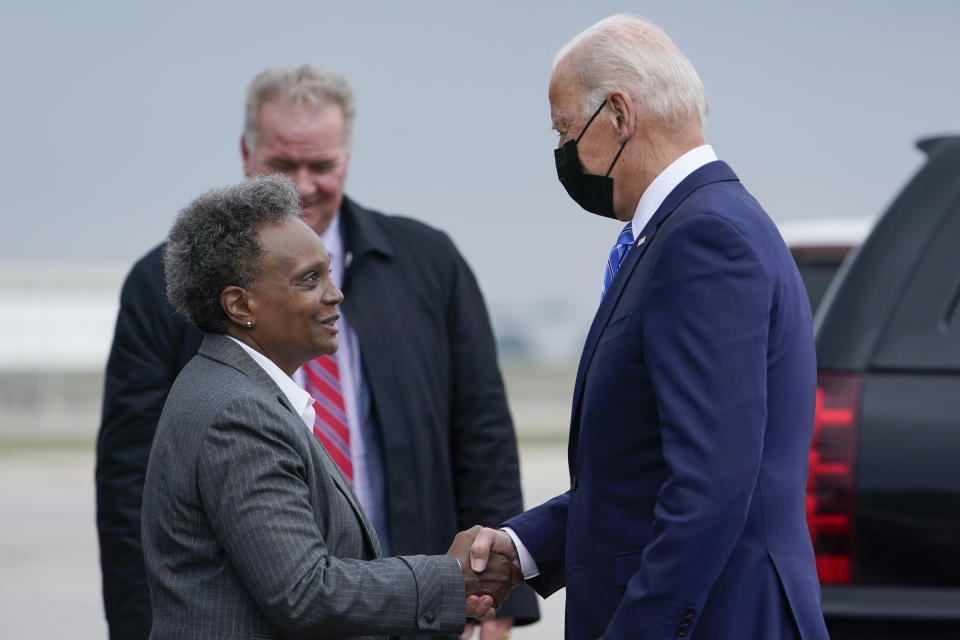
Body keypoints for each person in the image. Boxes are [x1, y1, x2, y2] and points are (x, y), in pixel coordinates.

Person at [95, 66, 537, 639]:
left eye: (321, 165)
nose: (303, 186)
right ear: (236, 303)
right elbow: (131, 482)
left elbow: (482, 430)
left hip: (410, 613)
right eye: (284, 165)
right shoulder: (177, 312)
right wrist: (452, 579)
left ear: (347, 158)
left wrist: (495, 601)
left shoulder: (430, 264)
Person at [469, 14, 830, 640]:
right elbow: (640, 471)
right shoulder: (689, 228)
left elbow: (709, 485)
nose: (561, 155)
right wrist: (519, 547)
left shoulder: (703, 238)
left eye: (563, 131)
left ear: (617, 115)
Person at [142, 174, 520, 639]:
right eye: (309, 279)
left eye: (329, 272)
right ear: (241, 305)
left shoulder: (232, 387)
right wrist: (450, 576)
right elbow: (305, 591)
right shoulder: (238, 415)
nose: (335, 294)